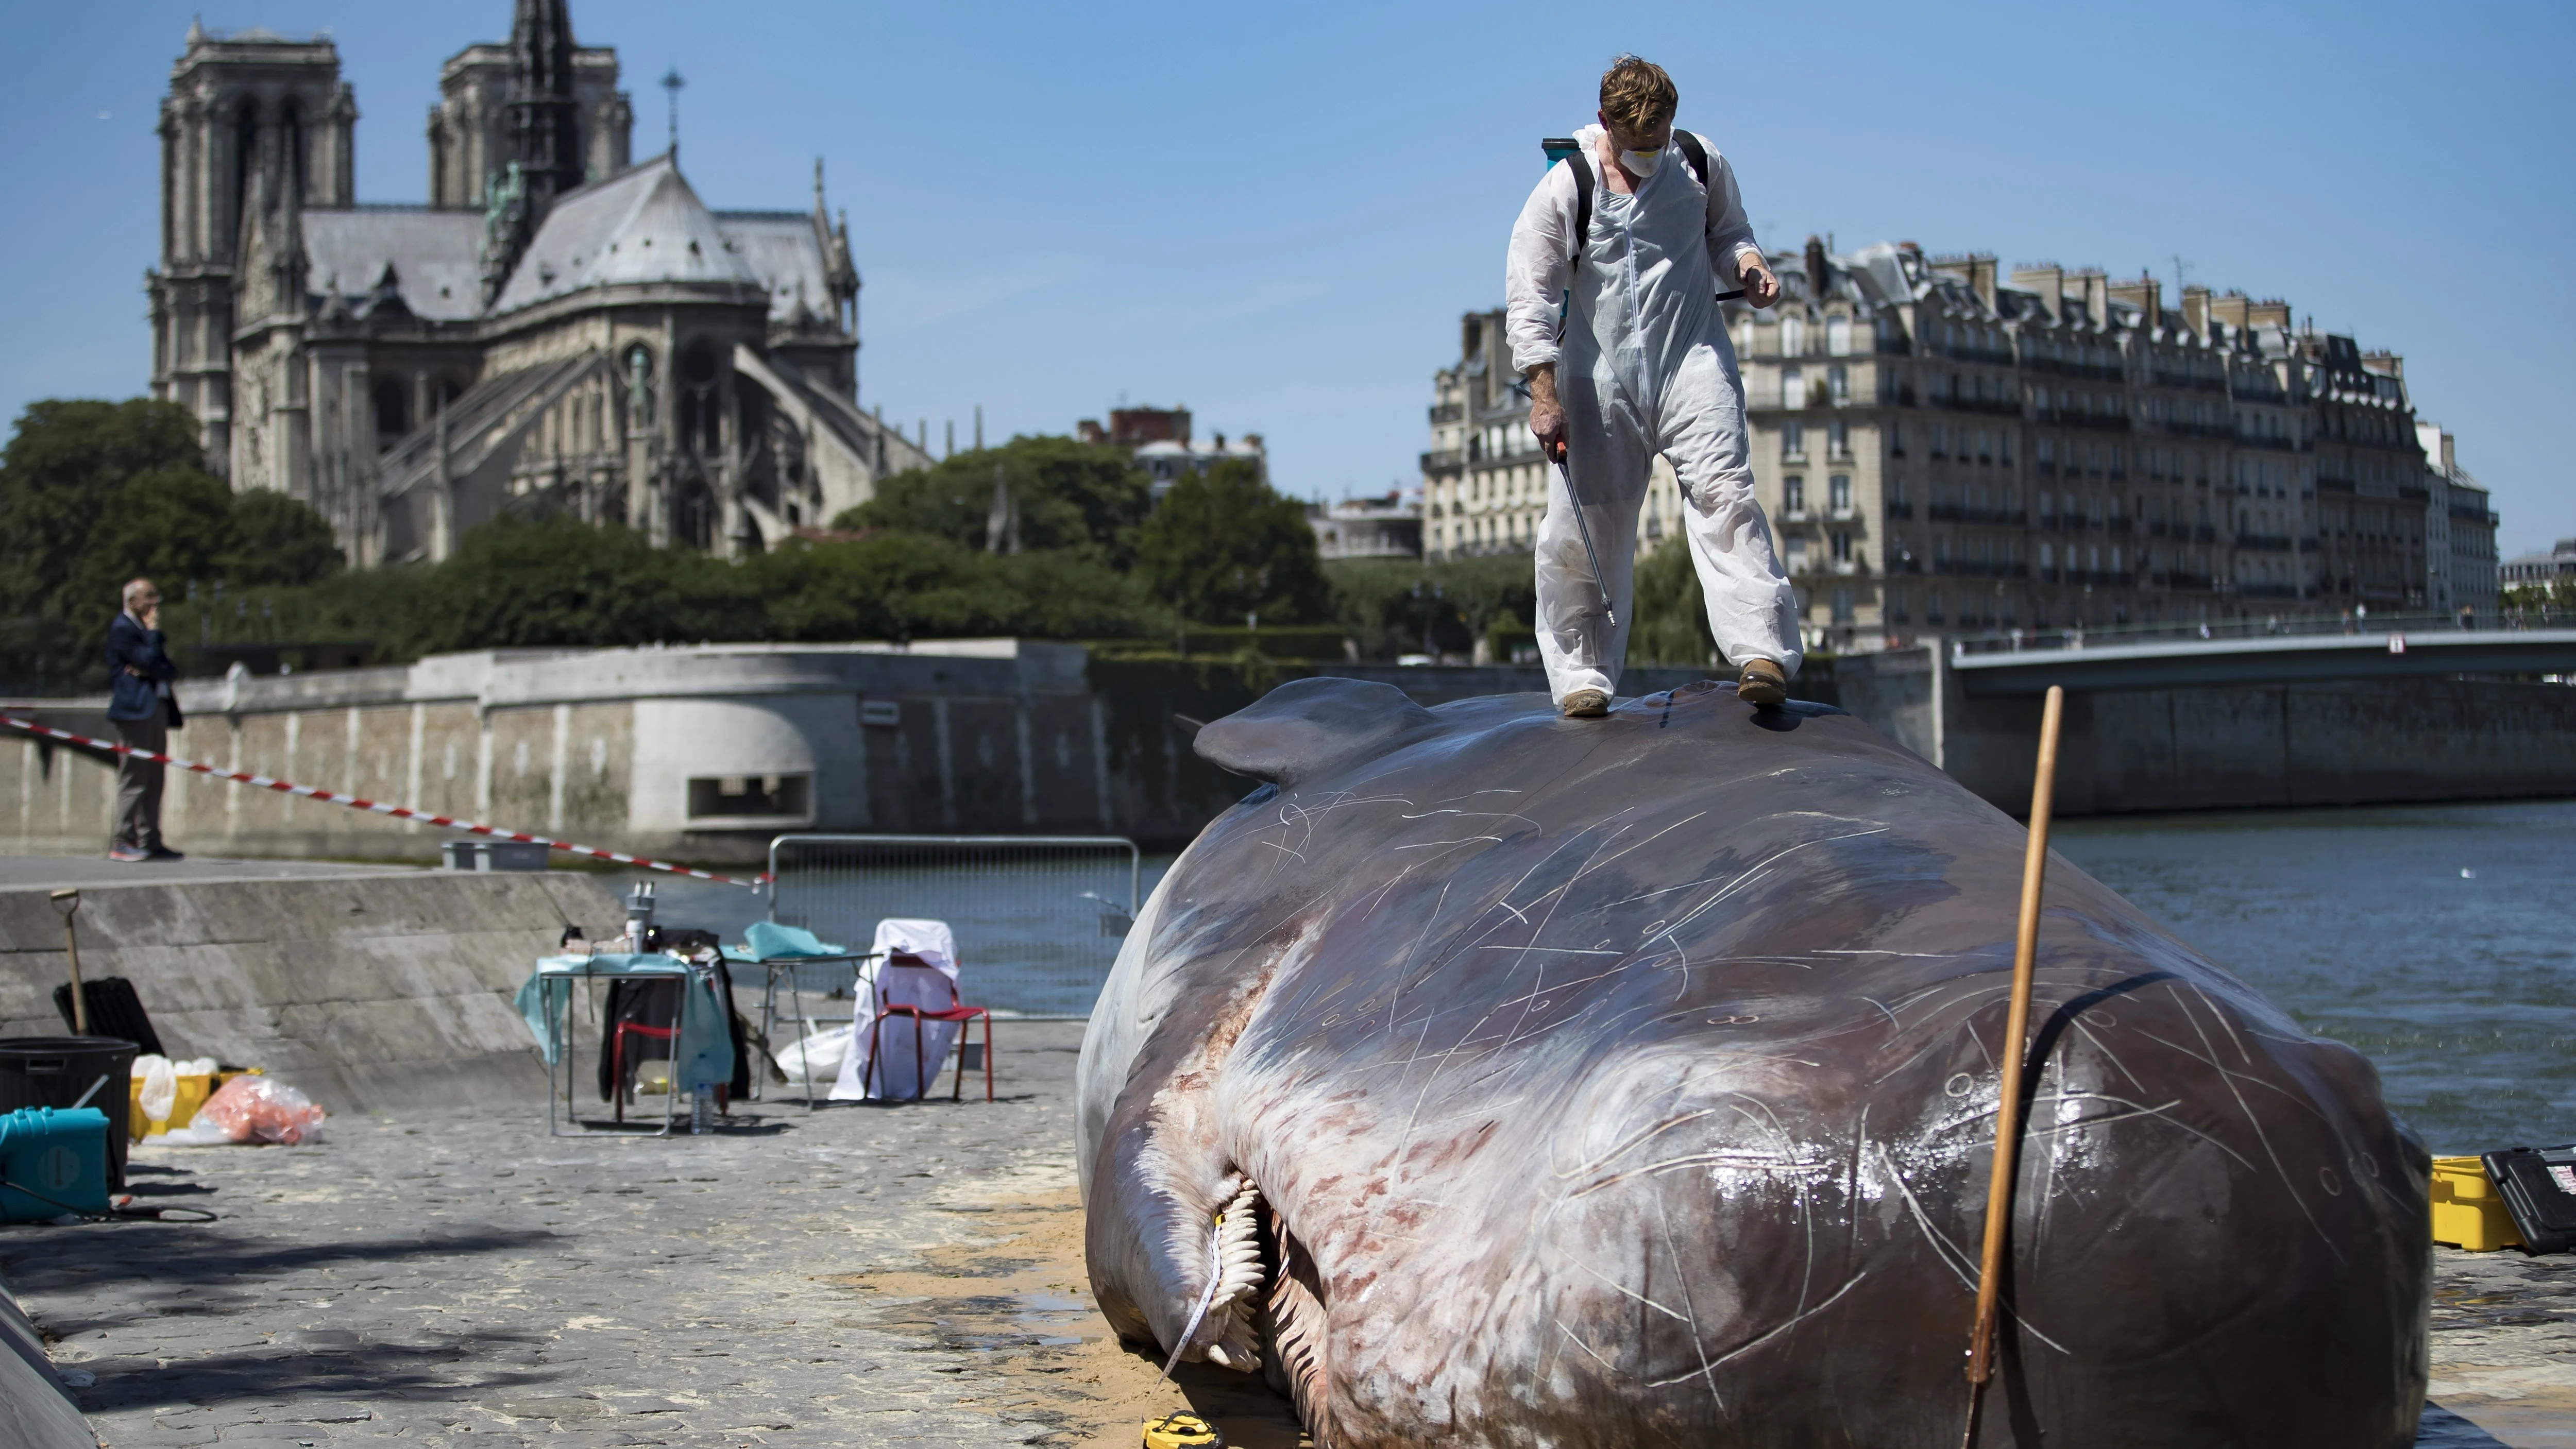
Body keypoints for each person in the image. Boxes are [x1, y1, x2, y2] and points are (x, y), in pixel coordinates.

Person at [1507, 55, 1800, 714]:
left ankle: (1762, 653)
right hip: (1599, 376)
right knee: (1589, 528)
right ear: (1606, 121)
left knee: (1727, 496)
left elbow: (1730, 233)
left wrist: (1748, 266)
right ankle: (1583, 673)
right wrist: (1543, 392)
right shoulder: (1565, 189)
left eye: (1657, 142)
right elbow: (1531, 296)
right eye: (1637, 146)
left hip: (1692, 357)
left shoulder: (1697, 162)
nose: (1648, 156)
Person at [104, 578, 184, 862]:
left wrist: (149, 667)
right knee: (135, 776)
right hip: (135, 710)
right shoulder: (123, 629)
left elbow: (165, 668)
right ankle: (123, 839)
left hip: (156, 709)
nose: (155, 604)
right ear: (132, 600)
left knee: (155, 777)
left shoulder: (141, 632)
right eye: (149, 597)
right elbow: (148, 662)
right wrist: (152, 635)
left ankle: (150, 839)